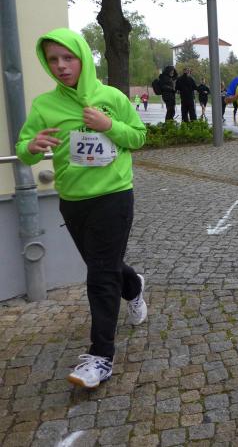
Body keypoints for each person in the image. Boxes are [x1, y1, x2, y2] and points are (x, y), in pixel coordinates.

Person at [15, 28, 148, 389]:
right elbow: (24, 147)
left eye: (68, 58)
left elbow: (138, 136)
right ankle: (133, 285)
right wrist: (32, 146)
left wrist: (109, 125)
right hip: (73, 201)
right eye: (53, 59)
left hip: (114, 195)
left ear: (83, 59)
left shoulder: (111, 97)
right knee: (103, 265)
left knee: (100, 275)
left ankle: (101, 356)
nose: (61, 66)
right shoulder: (45, 105)